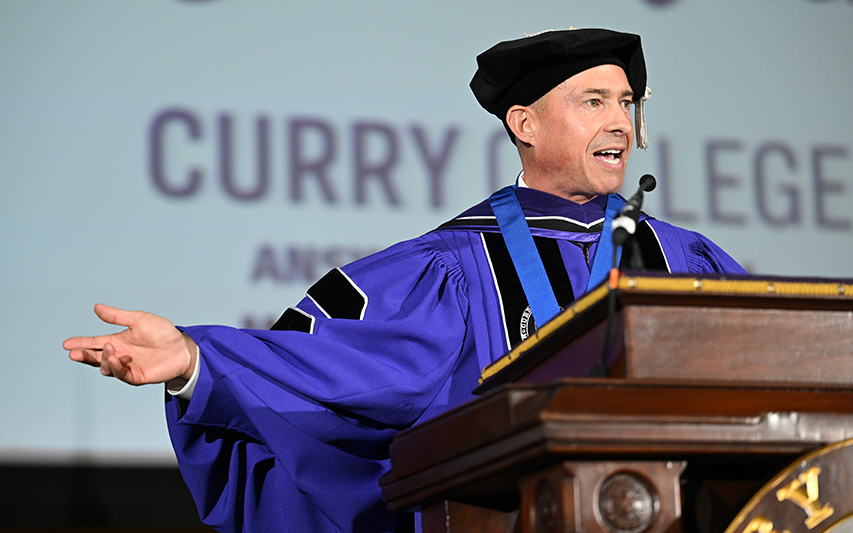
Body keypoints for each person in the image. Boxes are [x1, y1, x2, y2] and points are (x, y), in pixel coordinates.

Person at [64, 28, 745, 533]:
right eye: (592, 101)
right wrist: (197, 359)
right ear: (524, 123)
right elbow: (329, 372)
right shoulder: (451, 268)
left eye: (624, 102)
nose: (619, 122)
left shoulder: (685, 260)